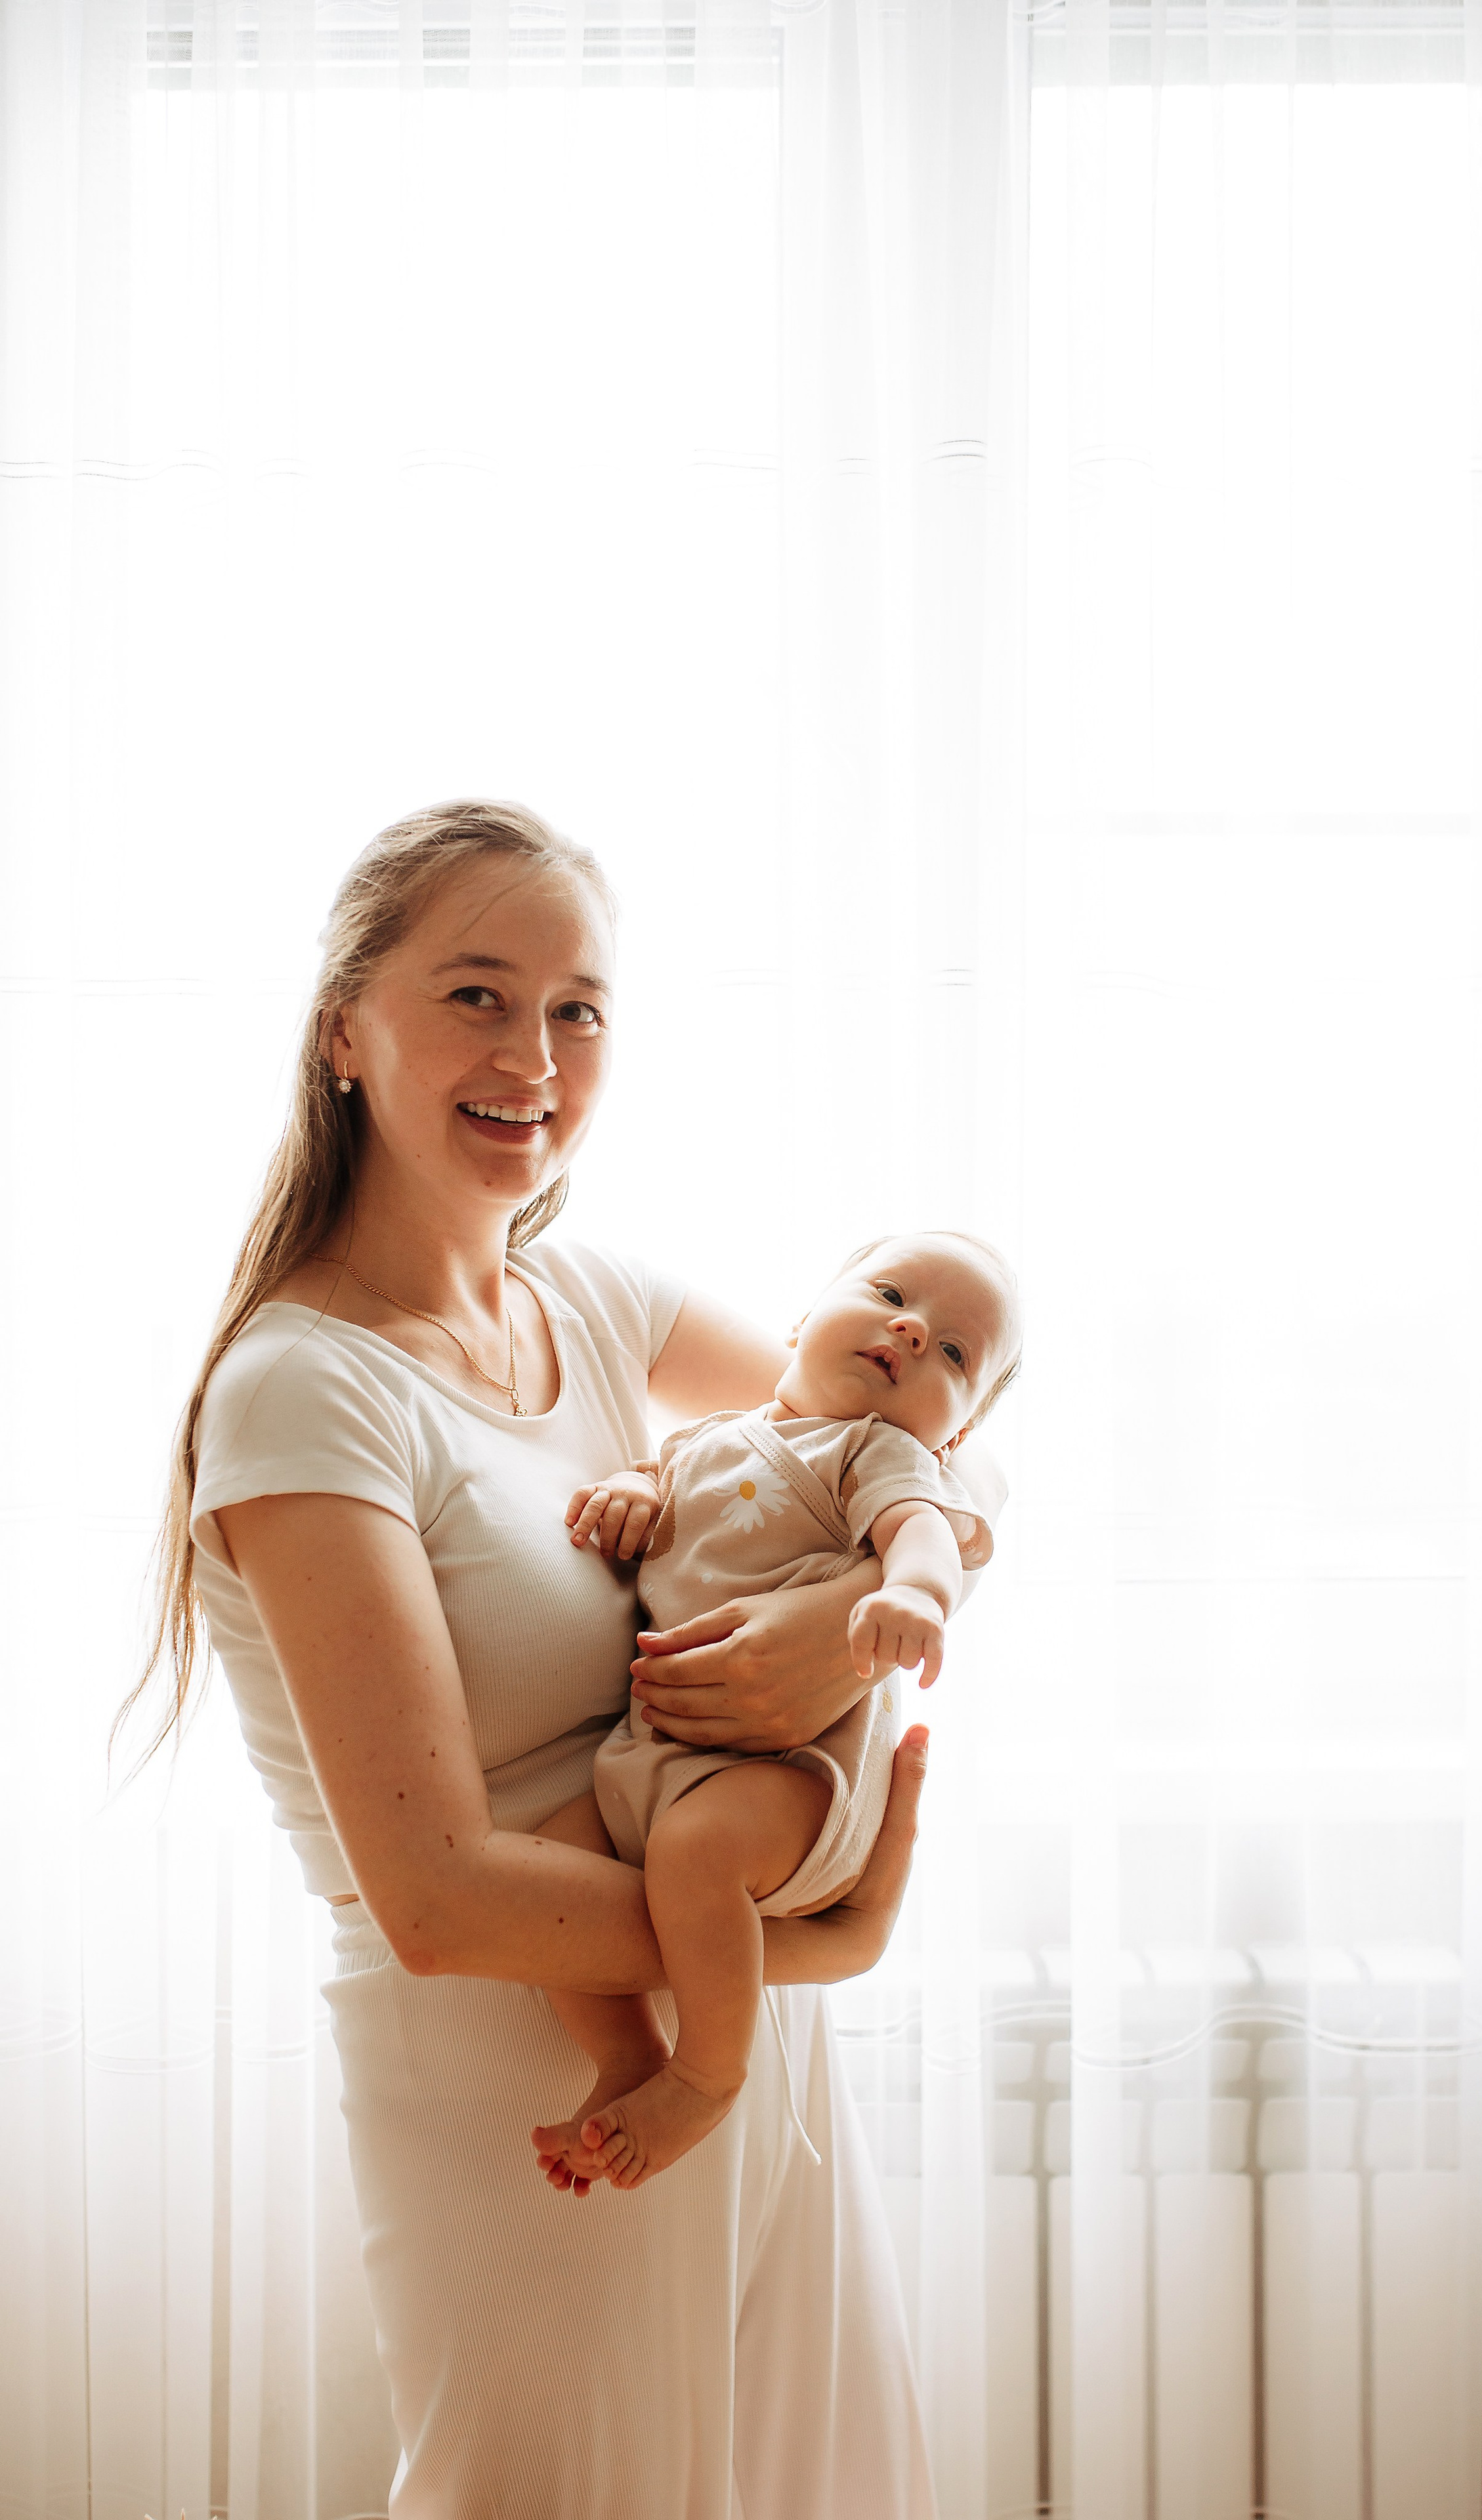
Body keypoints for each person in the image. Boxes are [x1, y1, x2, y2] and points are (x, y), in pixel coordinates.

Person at [114, 798, 1004, 2519]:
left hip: (730, 2036)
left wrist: (835, 1621)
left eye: (577, 1007)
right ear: (344, 1030)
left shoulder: (588, 1299)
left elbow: (943, 1453)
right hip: (534, 2081)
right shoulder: (307, 1392)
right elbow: (436, 1898)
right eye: (475, 993)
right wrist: (820, 1937)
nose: (534, 1051)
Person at [534, 1231, 1018, 2191]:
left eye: (956, 1355)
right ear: (800, 1319)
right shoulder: (709, 1437)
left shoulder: (872, 1454)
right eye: (888, 1293)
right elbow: (663, 1485)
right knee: (554, 1855)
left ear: (953, 1436)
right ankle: (629, 2057)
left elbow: (922, 1530)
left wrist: (916, 1595)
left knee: (696, 1853)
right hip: (660, 1760)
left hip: (792, 1782)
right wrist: (632, 1493)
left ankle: (709, 2074)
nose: (913, 1331)